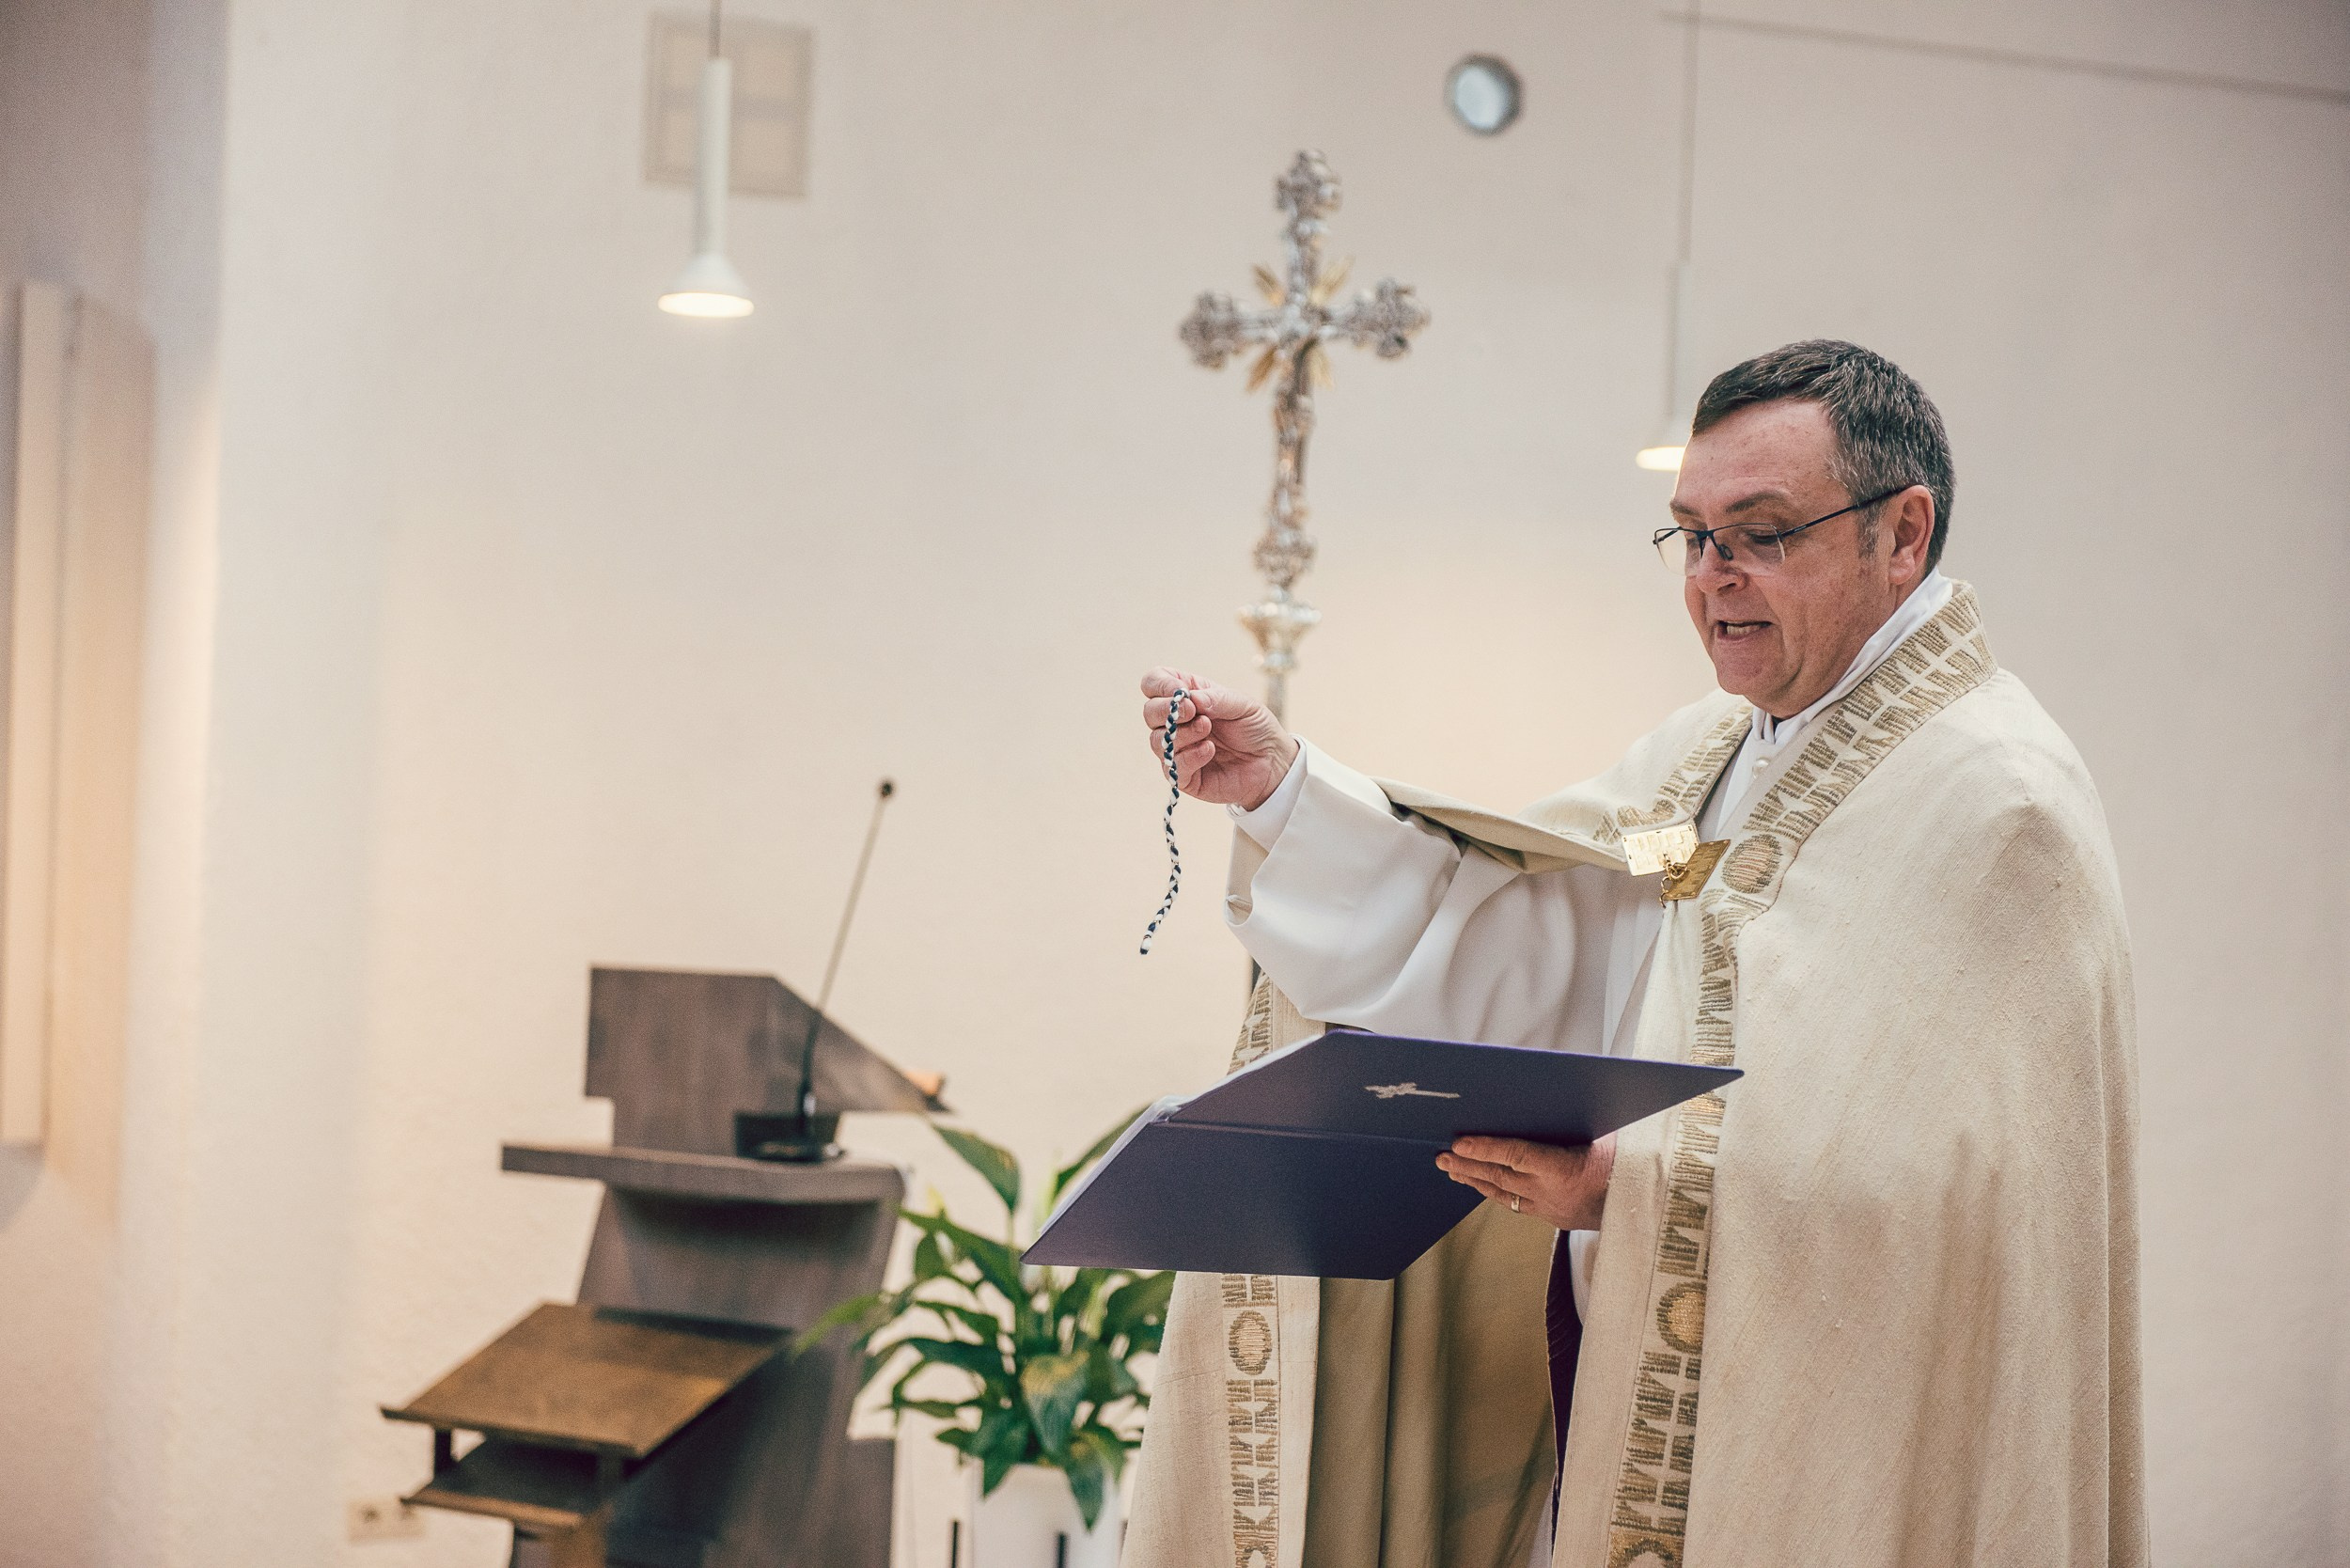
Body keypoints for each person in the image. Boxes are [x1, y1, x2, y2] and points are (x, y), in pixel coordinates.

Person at [1123, 340, 2146, 1568]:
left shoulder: (1995, 807)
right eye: (1692, 536)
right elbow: (1562, 913)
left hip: (1839, 1459)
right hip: (1626, 1382)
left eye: (1759, 533)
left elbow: (1953, 1220)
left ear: (1903, 533)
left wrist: (1630, 1190)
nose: (1714, 581)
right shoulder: (1717, 757)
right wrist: (1290, 799)